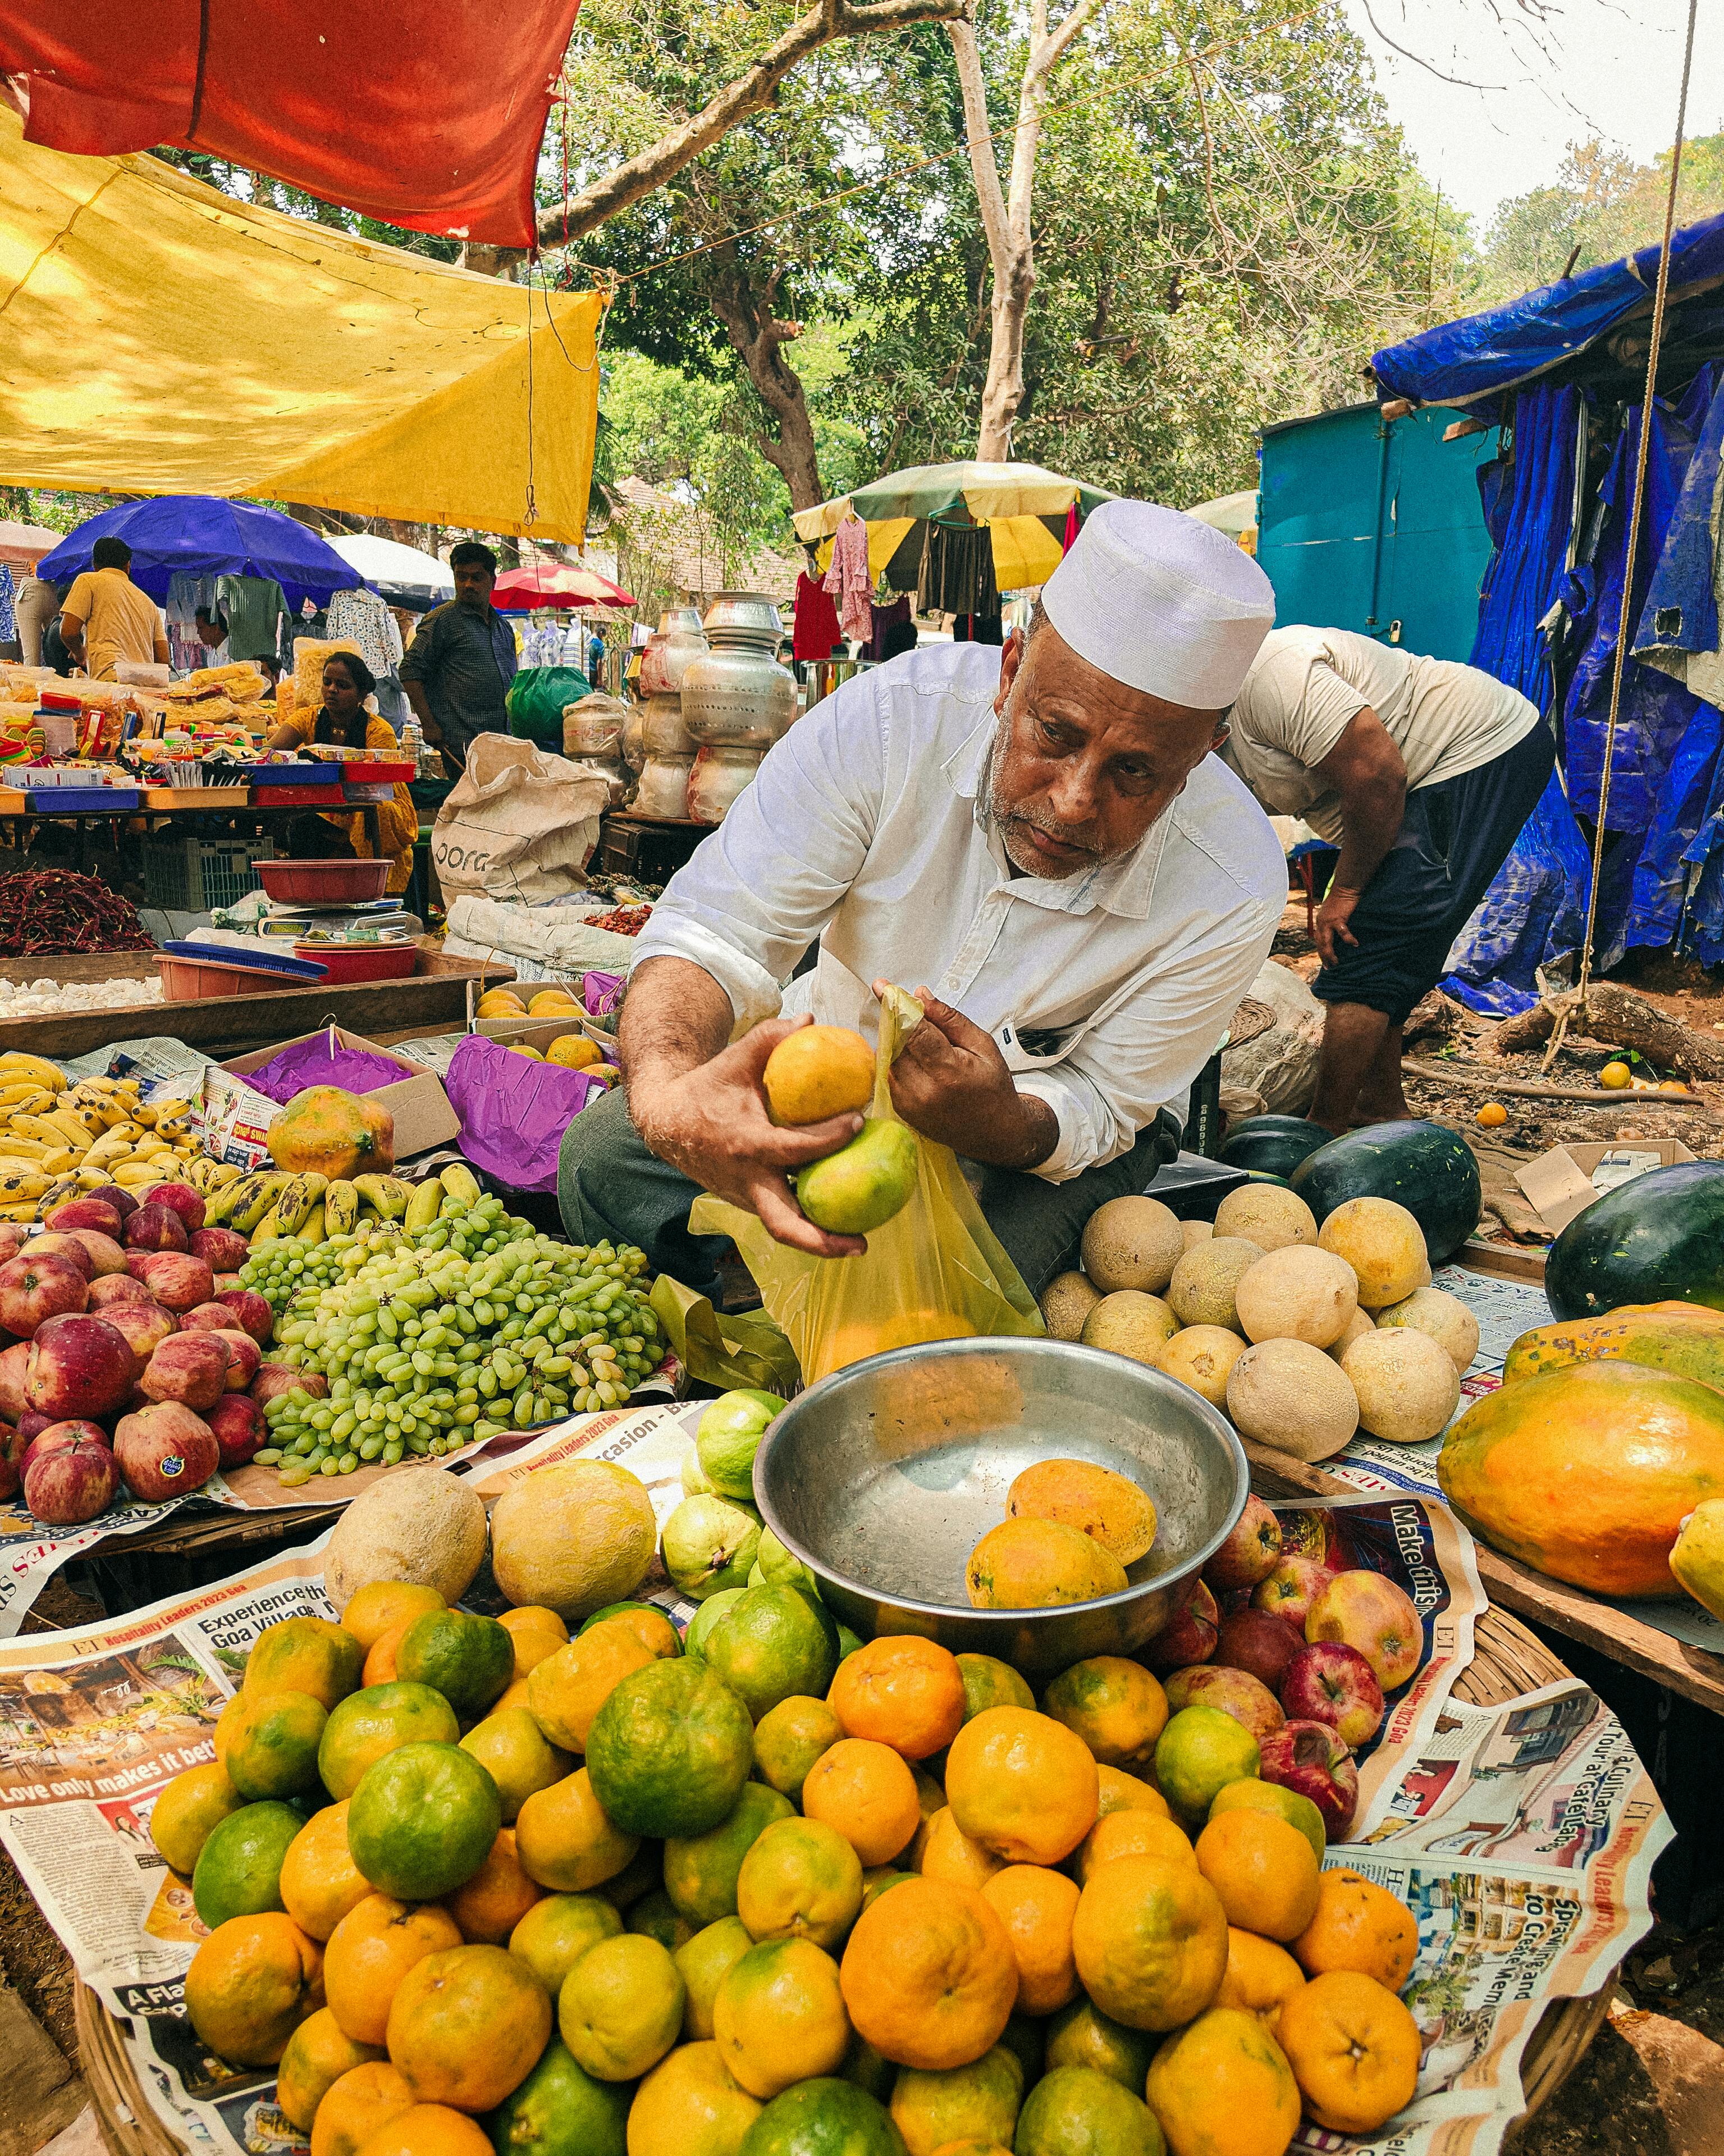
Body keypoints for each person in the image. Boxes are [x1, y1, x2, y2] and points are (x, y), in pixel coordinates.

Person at [559, 500, 1287, 1300]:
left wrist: (1001, 1125)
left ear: (1199, 757)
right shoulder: (885, 723)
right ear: (1009, 673)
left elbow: (1103, 1103)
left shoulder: (1233, 881)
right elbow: (718, 932)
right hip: (831, 1066)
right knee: (603, 1160)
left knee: (942, 1308)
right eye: (1054, 734)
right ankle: (741, 1319)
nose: (1074, 802)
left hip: (1039, 1135)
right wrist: (670, 1095)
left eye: (1135, 773)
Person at [1221, 624, 1554, 1132]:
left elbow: (1378, 774)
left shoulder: (1270, 675)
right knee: (1382, 948)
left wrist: (1346, 890)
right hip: (1415, 785)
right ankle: (1377, 1104)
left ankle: (1322, 1128)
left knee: (1369, 949)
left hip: (1476, 750)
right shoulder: (1197, 736)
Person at [265, 652, 418, 892]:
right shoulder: (309, 717)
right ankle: (307, 893)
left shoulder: (379, 731)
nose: (332, 690)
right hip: (323, 805)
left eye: (342, 685)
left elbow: (381, 784)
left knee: (370, 814)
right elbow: (270, 751)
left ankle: (368, 886)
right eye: (327, 682)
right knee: (299, 824)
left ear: (361, 695)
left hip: (376, 802)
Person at [399, 541, 518, 770]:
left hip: (502, 742)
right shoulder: (442, 621)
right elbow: (410, 670)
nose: (467, 584)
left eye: (476, 577)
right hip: (461, 744)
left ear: (492, 582)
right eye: (461, 577)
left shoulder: (504, 629)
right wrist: (429, 725)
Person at [58, 538, 170, 680]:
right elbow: (164, 660)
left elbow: (68, 632)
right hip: (146, 686)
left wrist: (80, 654)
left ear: (94, 564)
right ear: (128, 566)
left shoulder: (88, 581)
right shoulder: (149, 602)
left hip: (110, 680)